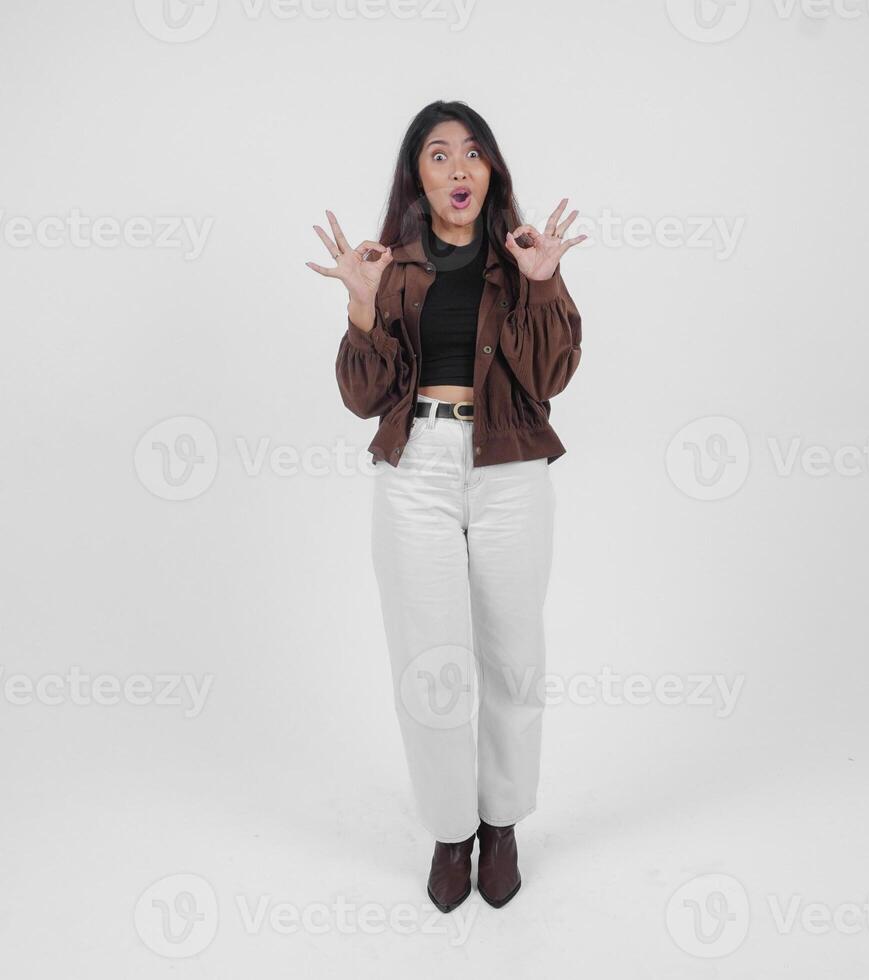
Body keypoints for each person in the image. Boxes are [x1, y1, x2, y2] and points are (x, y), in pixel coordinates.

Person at [307, 100, 585, 913]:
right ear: (417, 177)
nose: (458, 169)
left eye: (472, 153)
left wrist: (544, 282)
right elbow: (365, 396)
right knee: (429, 666)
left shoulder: (522, 260)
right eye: (438, 155)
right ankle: (450, 830)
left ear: (491, 169)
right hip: (417, 470)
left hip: (509, 468)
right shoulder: (389, 266)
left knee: (513, 659)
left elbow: (551, 376)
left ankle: (500, 826)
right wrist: (360, 303)